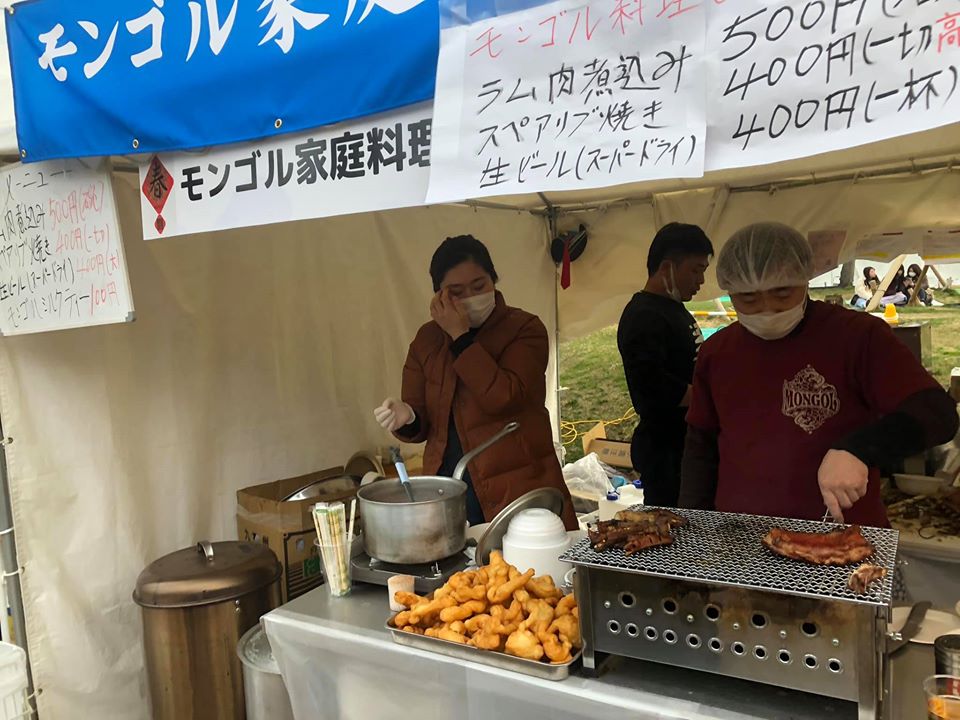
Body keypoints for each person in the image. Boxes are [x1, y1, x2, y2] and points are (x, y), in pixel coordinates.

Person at [679, 222, 958, 526]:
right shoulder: (718, 351)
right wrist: (693, 528)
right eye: (748, 298)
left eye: (782, 292)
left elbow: (937, 412)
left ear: (805, 280)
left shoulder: (857, 336)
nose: (767, 309)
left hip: (838, 534)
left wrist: (859, 449)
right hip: (739, 536)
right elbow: (700, 446)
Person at [373, 235, 577, 528]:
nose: (470, 296)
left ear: (493, 281)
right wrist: (408, 416)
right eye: (456, 291)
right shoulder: (427, 340)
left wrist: (461, 338)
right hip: (450, 486)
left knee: (522, 569)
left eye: (479, 286)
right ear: (438, 295)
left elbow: (504, 398)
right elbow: (422, 425)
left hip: (516, 484)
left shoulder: (525, 328)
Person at [617, 223, 714, 507]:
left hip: (686, 445)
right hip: (666, 452)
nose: (700, 281)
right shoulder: (642, 315)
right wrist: (710, 398)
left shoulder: (672, 308)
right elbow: (651, 389)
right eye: (695, 270)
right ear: (667, 267)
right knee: (674, 529)